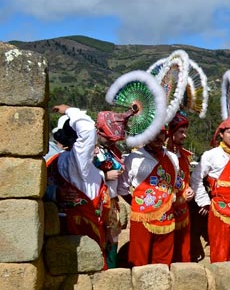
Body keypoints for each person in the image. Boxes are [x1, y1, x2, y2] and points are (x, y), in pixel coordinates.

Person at [46, 105, 109, 257]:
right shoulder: (78, 161)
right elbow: (87, 129)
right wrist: (69, 110)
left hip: (68, 224)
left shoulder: (58, 160)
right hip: (84, 225)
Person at [191, 110, 230, 262]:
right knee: (220, 250)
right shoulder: (210, 155)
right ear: (221, 134)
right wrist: (204, 202)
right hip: (220, 208)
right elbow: (196, 178)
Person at [118, 127, 179, 266]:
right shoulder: (134, 158)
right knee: (139, 259)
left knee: (163, 260)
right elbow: (122, 188)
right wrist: (137, 205)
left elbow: (174, 184)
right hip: (142, 216)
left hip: (166, 216)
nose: (158, 137)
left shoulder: (172, 158)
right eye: (154, 133)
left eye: (161, 133)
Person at [94, 111, 129, 268]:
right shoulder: (89, 150)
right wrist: (104, 175)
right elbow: (82, 174)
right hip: (97, 203)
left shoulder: (114, 151)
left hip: (112, 202)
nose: (110, 142)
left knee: (112, 240)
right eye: (108, 139)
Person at [167, 112, 196, 262]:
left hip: (183, 209)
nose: (184, 136)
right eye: (181, 132)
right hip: (166, 210)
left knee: (183, 249)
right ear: (171, 132)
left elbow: (184, 179)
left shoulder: (184, 155)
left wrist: (188, 188)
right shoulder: (163, 156)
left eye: (185, 132)